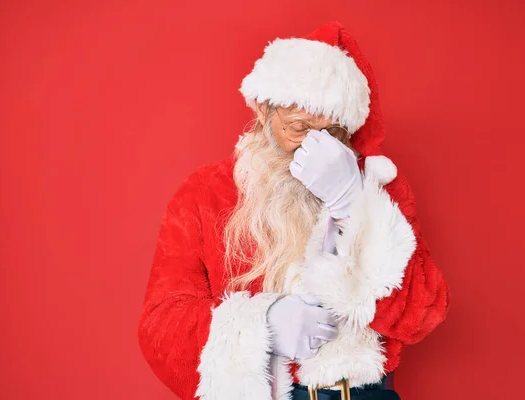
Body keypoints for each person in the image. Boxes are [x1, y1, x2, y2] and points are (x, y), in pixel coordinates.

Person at [138, 21, 450, 400]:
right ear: (264, 110)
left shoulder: (377, 186)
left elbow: (423, 315)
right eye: (299, 127)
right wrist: (260, 326)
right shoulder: (204, 193)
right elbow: (160, 327)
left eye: (332, 134)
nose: (314, 147)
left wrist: (355, 207)